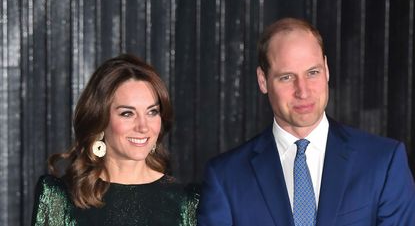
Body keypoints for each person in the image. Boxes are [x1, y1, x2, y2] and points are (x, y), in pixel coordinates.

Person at [197, 17, 415, 226]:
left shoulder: (383, 162)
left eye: (312, 72)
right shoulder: (226, 177)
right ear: (263, 81)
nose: (303, 91)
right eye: (287, 77)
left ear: (326, 70)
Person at [32, 54, 199, 226]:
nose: (143, 127)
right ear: (100, 120)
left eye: (152, 112)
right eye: (127, 113)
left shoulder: (185, 202)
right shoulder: (59, 197)